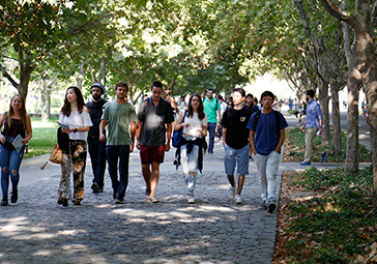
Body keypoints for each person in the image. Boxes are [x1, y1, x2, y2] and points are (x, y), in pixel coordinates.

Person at [247, 91, 288, 213]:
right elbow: (251, 134)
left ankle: (271, 200)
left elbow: (282, 134)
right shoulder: (256, 116)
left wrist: (277, 149)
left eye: (270, 99)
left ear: (273, 101)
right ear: (261, 101)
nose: (267, 101)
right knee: (262, 177)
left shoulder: (277, 116)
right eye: (265, 99)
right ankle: (264, 200)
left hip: (273, 151)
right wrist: (254, 150)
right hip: (259, 152)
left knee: (271, 175)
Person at [136, 81, 175, 203]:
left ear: (162, 92)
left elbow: (169, 124)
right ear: (151, 91)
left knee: (156, 167)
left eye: (159, 92)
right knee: (144, 166)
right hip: (145, 139)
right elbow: (139, 122)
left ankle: (153, 193)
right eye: (154, 92)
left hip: (159, 140)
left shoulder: (166, 105)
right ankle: (148, 184)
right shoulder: (144, 103)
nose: (156, 95)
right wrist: (137, 139)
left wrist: (168, 141)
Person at [99, 82, 137, 204]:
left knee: (123, 169)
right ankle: (116, 189)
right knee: (111, 169)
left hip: (124, 142)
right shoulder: (109, 107)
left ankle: (121, 194)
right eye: (120, 90)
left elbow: (133, 124)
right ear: (115, 91)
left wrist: (132, 140)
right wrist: (101, 133)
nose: (122, 92)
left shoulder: (130, 107)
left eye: (124, 90)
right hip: (111, 142)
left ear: (127, 92)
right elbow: (103, 122)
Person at [58, 86, 92, 206]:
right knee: (65, 170)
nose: (69, 95)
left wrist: (74, 129)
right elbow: (60, 126)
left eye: (71, 93)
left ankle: (78, 196)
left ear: (77, 95)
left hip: (79, 143)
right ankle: (63, 195)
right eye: (67, 93)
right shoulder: (63, 111)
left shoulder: (83, 110)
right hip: (66, 143)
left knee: (78, 170)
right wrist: (64, 130)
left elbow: (87, 127)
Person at [174, 93, 208, 204]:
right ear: (190, 102)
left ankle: (190, 193)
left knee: (193, 169)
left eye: (197, 100)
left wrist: (201, 132)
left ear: (200, 103)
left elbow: (205, 132)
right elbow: (176, 127)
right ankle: (190, 187)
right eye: (193, 100)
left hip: (196, 143)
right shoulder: (184, 113)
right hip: (184, 142)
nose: (195, 102)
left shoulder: (203, 116)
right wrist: (183, 124)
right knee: (185, 171)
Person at [0, 95, 32, 206]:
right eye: (14, 101)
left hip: (17, 146)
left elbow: (29, 133)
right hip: (4, 145)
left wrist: (26, 139)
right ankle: (4, 197)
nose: (16, 103)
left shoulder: (25, 116)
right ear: (11, 102)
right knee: (4, 170)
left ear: (22, 104)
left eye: (19, 102)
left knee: (13, 171)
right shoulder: (5, 115)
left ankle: (14, 189)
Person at [222, 88, 252, 204]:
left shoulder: (248, 113)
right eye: (234, 96)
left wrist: (250, 142)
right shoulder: (228, 112)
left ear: (243, 98)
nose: (235, 98)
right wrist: (224, 141)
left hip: (243, 146)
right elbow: (224, 128)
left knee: (241, 172)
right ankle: (233, 185)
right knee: (229, 171)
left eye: (238, 96)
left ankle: (238, 194)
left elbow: (250, 129)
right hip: (230, 145)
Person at [87, 83, 108, 193]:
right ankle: (98, 183)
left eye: (98, 90)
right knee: (94, 160)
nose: (95, 92)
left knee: (101, 160)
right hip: (91, 137)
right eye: (93, 90)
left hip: (103, 138)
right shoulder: (87, 106)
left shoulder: (106, 105)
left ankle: (97, 181)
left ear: (102, 92)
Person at [300, 89, 327, 165]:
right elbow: (308, 117)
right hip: (308, 126)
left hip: (313, 126)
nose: (305, 96)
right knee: (308, 143)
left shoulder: (315, 105)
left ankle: (307, 160)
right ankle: (322, 153)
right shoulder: (309, 105)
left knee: (308, 144)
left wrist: (320, 127)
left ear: (308, 95)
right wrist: (304, 126)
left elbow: (320, 116)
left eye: (305, 95)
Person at [202, 88, 221, 155]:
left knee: (211, 136)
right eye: (208, 92)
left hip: (213, 121)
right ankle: (204, 146)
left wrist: (219, 121)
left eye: (211, 93)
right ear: (207, 93)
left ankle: (210, 150)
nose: (210, 94)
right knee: (202, 135)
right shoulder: (203, 100)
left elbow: (218, 112)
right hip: (204, 120)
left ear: (213, 93)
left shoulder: (216, 101)